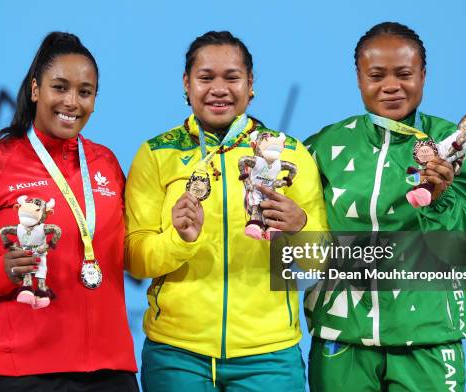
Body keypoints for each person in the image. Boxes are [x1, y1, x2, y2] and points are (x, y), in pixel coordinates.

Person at [0, 32, 138, 391]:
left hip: (109, 370)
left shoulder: (105, 164)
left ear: (95, 100)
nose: (72, 102)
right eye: (59, 87)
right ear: (36, 90)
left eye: (85, 92)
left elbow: (131, 250)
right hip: (17, 371)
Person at [125, 31, 328, 391]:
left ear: (251, 85)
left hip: (270, 356)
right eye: (206, 78)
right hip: (177, 355)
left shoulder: (291, 155)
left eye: (232, 77)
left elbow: (322, 262)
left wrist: (300, 227)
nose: (219, 89)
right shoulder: (156, 154)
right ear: (186, 84)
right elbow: (136, 258)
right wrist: (178, 241)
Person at [303, 22, 466, 391]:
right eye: (376, 75)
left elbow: (464, 248)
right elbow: (302, 246)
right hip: (342, 340)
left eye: (404, 73)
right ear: (358, 78)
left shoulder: (455, 146)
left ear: (423, 74)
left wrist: (440, 200)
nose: (391, 85)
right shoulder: (323, 145)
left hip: (428, 341)